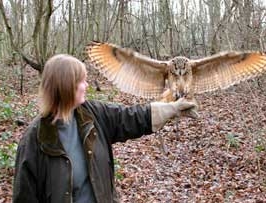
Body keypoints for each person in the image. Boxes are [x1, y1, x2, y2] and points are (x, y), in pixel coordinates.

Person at [13, 54, 198, 203]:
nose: (87, 85)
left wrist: (171, 109)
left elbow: (131, 117)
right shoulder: (35, 139)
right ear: (65, 85)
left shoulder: (93, 114)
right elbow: (24, 196)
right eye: (82, 81)